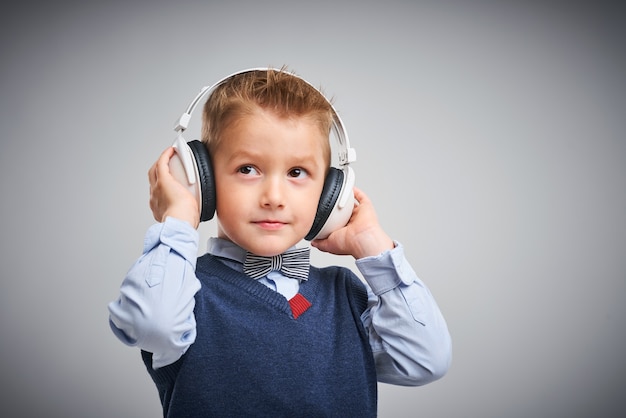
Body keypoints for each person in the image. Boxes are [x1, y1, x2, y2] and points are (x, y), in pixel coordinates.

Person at [108, 68, 451, 417]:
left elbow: (427, 359)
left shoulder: (345, 294)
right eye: (247, 169)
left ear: (331, 193)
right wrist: (179, 217)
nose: (274, 197)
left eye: (297, 173)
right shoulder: (183, 292)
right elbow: (150, 324)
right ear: (201, 179)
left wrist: (372, 245)